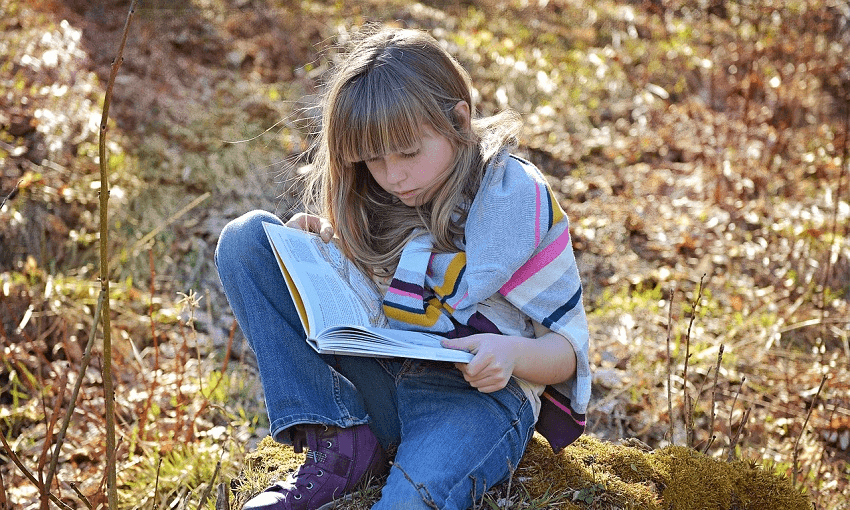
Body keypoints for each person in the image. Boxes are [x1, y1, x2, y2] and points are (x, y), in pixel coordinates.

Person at [215, 26, 591, 510]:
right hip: (381, 380)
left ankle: (401, 464)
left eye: (409, 152)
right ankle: (342, 439)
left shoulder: (512, 203)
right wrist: (321, 251)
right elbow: (367, 309)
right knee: (248, 240)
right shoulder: (378, 199)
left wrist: (511, 352)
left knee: (407, 504)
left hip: (474, 401)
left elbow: (568, 351)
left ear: (458, 121)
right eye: (373, 159)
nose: (393, 176)